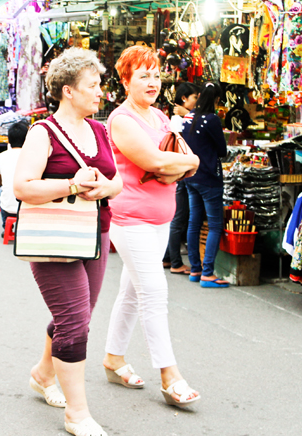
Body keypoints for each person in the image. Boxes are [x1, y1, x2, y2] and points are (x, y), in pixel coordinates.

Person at [13, 47, 123, 436]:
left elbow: (118, 181)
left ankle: (44, 373)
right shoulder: (41, 132)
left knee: (77, 316)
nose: (100, 93)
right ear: (67, 91)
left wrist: (104, 187)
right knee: (75, 322)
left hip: (96, 232)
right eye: (92, 86)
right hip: (55, 236)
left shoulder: (100, 129)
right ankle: (77, 414)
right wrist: (74, 185)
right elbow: (22, 186)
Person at [103, 45, 201, 407]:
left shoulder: (159, 117)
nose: (152, 82)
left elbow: (191, 161)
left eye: (156, 74)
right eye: (142, 75)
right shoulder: (122, 119)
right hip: (132, 221)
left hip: (160, 221)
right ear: (125, 79)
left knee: (130, 294)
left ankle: (113, 358)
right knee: (154, 295)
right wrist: (175, 162)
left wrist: (175, 163)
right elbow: (155, 160)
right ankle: (169, 375)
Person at [181, 81, 230, 288]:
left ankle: (195, 269)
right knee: (214, 225)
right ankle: (208, 273)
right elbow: (222, 150)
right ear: (217, 99)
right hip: (209, 178)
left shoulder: (188, 117)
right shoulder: (212, 120)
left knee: (194, 221)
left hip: (190, 176)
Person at [163, 82, 200, 275]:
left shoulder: (182, 115)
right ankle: (176, 262)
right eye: (195, 97)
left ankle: (169, 258)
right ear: (184, 99)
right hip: (181, 172)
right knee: (179, 218)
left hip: (183, 171)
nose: (198, 101)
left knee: (180, 217)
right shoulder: (178, 118)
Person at [0, 120, 29, 234]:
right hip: (27, 205)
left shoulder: (0, 157)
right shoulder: (32, 156)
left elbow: (0, 181)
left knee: (2, 190)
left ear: (8, 139)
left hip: (8, 206)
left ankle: (6, 226)